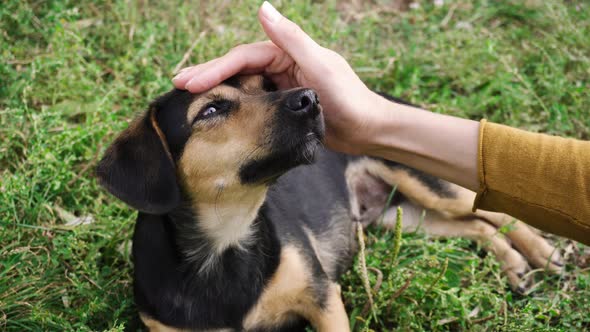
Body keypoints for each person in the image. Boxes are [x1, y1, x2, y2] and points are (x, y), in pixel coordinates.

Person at [172, 2, 590, 245]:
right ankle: (490, 235)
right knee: (418, 213)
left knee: (453, 200)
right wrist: (373, 122)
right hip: (352, 183)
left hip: (356, 168)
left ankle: (510, 231)